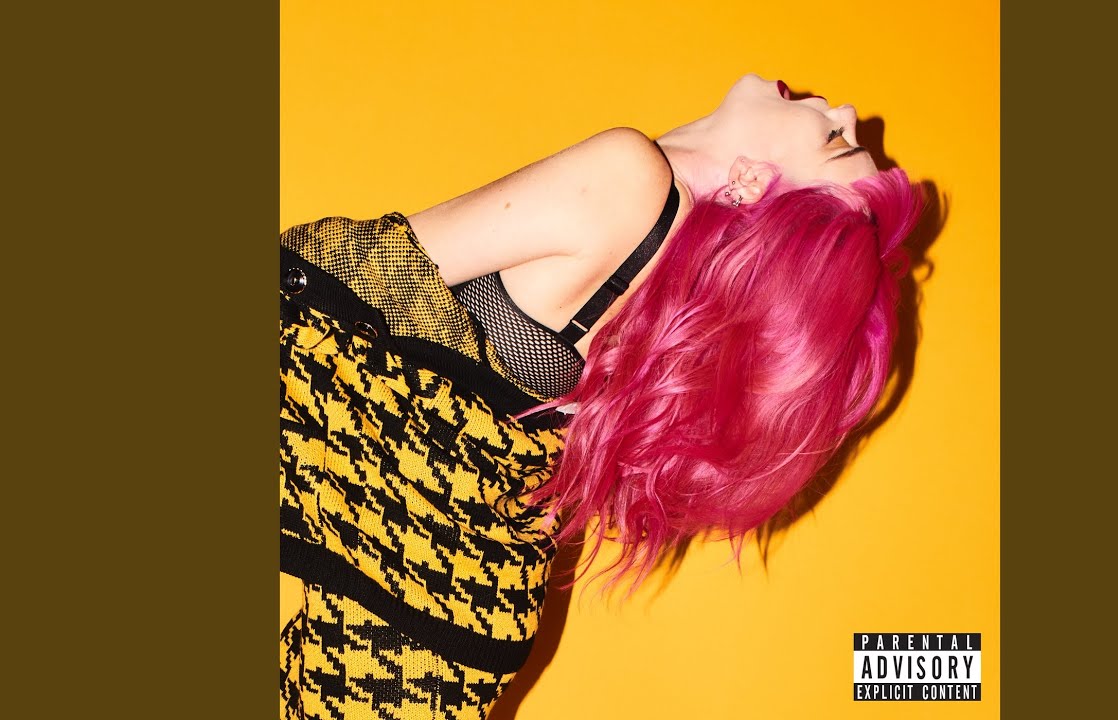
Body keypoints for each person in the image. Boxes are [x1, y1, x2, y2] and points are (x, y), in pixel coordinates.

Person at [279, 72, 921, 720]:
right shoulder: (657, 283)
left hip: (422, 598)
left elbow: (339, 270)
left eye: (835, 141)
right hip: (455, 607)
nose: (846, 110)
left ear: (752, 182)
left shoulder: (629, 179)